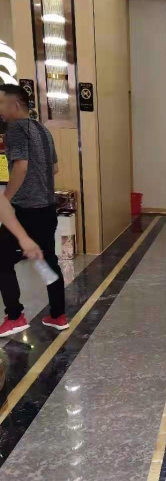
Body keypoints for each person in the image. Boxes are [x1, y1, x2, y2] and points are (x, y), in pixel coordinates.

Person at [0, 83, 68, 337]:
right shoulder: (42, 129)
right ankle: (58, 315)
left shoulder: (15, 129)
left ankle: (15, 316)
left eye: (0, 103)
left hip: (24, 209)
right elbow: (54, 168)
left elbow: (21, 166)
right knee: (49, 259)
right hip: (46, 207)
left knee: (2, 260)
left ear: (15, 104)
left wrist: (6, 199)